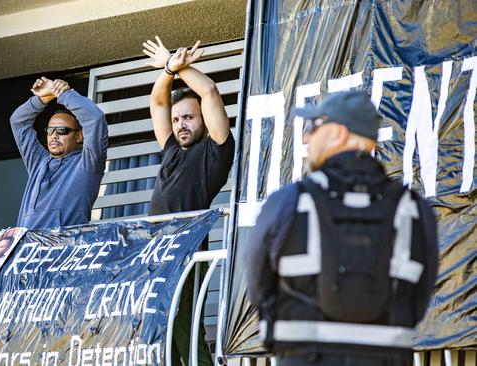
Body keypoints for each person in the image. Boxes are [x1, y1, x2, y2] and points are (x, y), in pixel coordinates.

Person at [244, 90, 438, 366]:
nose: (305, 137)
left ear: (339, 133)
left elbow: (257, 284)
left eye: (313, 127)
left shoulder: (288, 201)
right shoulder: (415, 210)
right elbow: (419, 299)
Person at [143, 37, 235, 366]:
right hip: (154, 255)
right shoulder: (170, 149)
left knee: (186, 332)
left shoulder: (215, 152)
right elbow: (157, 103)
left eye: (189, 118)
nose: (181, 123)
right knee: (158, 334)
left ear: (203, 121)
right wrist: (169, 69)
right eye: (178, 118)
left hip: (186, 255)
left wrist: (183, 68)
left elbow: (209, 92)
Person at [10, 77, 108, 229]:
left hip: (62, 249)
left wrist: (63, 93)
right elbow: (18, 122)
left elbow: (95, 118)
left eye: (62, 131)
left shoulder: (88, 163)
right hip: (26, 249)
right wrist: (41, 99)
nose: (54, 136)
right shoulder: (39, 162)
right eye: (50, 131)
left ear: (79, 136)